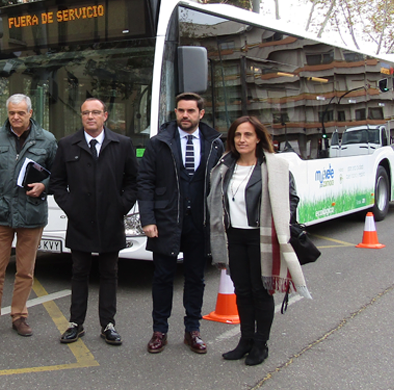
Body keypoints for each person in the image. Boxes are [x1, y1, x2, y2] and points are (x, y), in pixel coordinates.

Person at [207, 115, 312, 366]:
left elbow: (291, 198)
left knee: (261, 290)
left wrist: (281, 225)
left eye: (247, 135)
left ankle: (260, 344)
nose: (242, 140)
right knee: (242, 291)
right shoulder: (224, 166)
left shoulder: (274, 166)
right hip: (234, 236)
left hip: (262, 236)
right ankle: (245, 340)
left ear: (258, 138)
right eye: (237, 135)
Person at [137, 92, 224, 355]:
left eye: (190, 111)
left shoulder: (216, 143)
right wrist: (148, 219)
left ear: (201, 113)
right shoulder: (158, 143)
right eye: (180, 111)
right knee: (162, 278)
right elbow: (145, 182)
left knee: (196, 279)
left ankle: (192, 331)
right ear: (175, 112)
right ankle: (159, 331)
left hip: (201, 222)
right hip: (165, 222)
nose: (185, 115)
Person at [50, 98, 139, 345]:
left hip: (111, 221)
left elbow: (133, 181)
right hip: (80, 221)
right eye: (86, 113)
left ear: (105, 115)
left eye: (96, 112)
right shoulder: (67, 145)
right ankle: (76, 324)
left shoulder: (122, 144)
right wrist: (71, 207)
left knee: (109, 273)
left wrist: (121, 206)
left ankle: (108, 324)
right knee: (79, 272)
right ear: (81, 116)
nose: (91, 116)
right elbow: (57, 183)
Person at [0, 93, 57, 338]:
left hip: (32, 213)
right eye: (11, 113)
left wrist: (45, 185)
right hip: (0, 213)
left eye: (21, 112)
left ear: (31, 113)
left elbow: (59, 172)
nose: (16, 117)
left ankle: (19, 316)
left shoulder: (47, 140)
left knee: (25, 270)